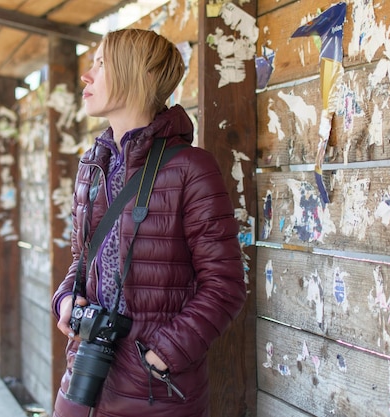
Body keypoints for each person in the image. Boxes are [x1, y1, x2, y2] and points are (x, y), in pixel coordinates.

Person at [51, 29, 247, 417]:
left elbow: (225, 285)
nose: (86, 76)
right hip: (84, 376)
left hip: (156, 392)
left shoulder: (191, 168)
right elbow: (81, 259)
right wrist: (66, 300)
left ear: (135, 73)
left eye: (102, 63)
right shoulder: (93, 165)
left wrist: (162, 355)